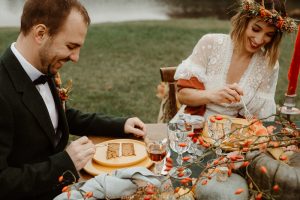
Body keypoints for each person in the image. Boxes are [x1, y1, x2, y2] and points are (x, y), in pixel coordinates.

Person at [0, 0, 146, 199]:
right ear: (40, 34)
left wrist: (120, 125)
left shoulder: (43, 66)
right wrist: (64, 163)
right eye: (70, 46)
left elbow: (58, 117)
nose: (76, 57)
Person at [174, 0, 297, 121]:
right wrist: (212, 95)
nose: (259, 40)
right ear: (243, 21)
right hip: (192, 125)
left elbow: (261, 117)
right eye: (255, 29)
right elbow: (183, 95)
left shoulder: (268, 64)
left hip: (236, 134)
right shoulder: (210, 43)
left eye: (269, 35)